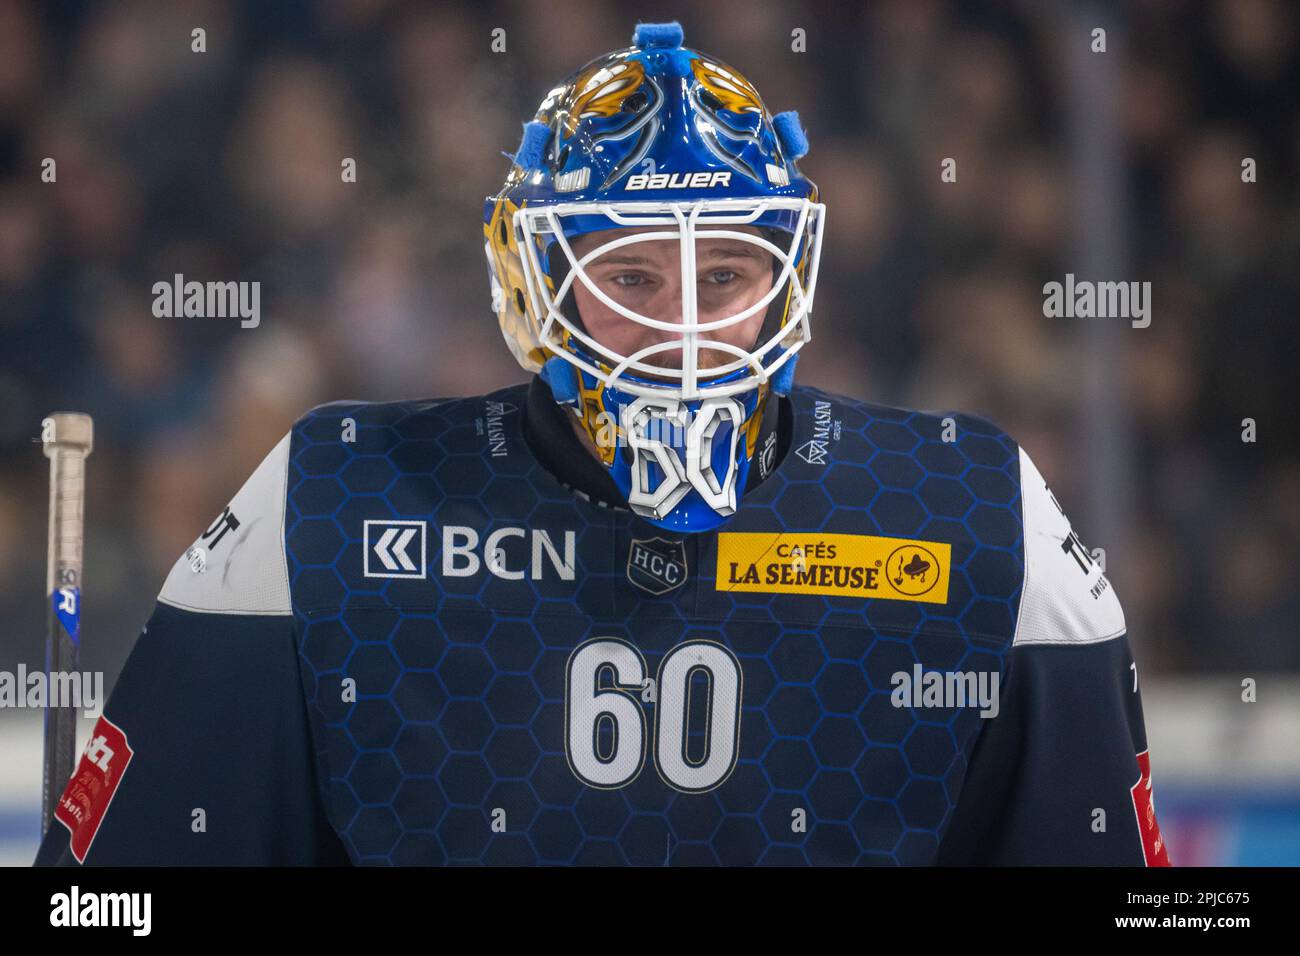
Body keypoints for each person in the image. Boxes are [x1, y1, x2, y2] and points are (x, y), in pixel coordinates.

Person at [36, 21, 1170, 866]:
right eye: (629, 274)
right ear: (534, 287)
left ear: (790, 278)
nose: (681, 326)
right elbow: (120, 891)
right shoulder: (328, 503)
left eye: (724, 274)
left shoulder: (979, 511)